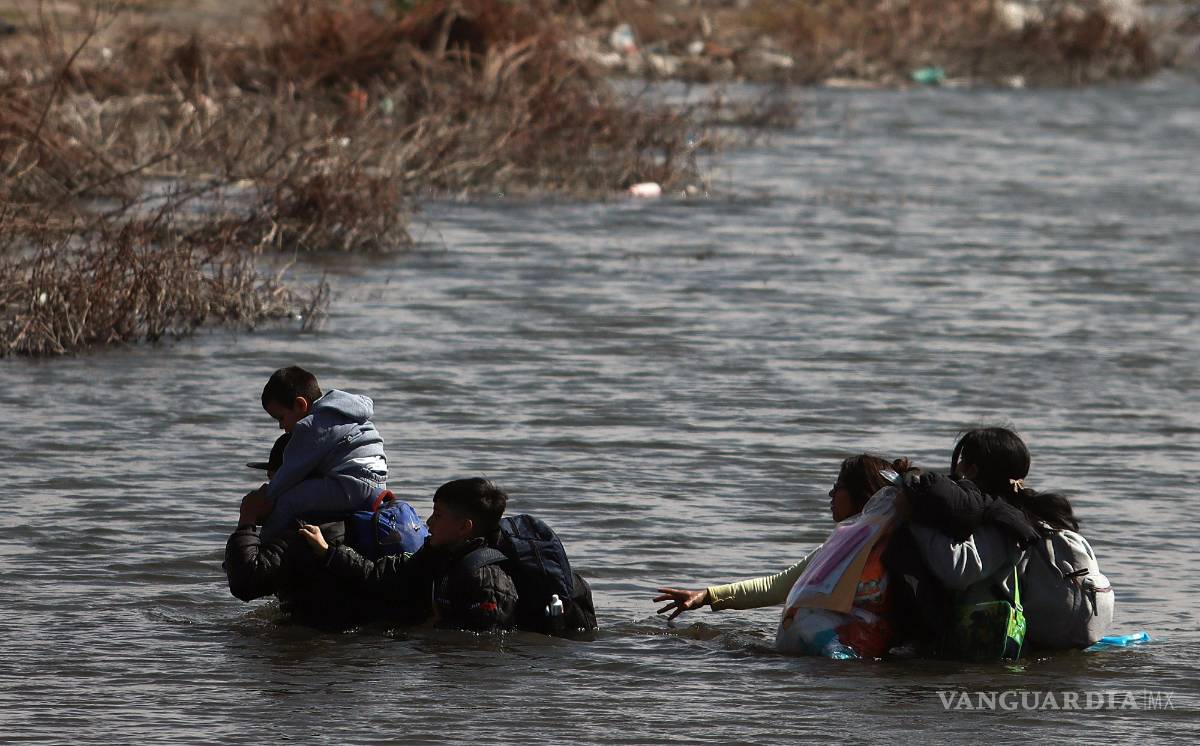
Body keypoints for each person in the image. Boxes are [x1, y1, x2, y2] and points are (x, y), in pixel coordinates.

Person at [654, 454, 912, 658]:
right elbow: (780, 585)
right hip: (839, 657)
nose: (830, 494)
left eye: (838, 487)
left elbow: (779, 586)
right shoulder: (837, 550)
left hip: (846, 659)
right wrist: (707, 596)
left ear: (862, 494)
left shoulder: (891, 551)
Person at [889, 426, 1105, 652]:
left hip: (1010, 643)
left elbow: (958, 570)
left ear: (971, 471)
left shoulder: (1005, 522)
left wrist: (915, 519)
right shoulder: (1037, 513)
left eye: (960, 461)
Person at [299, 477, 520, 632]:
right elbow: (380, 575)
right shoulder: (435, 555)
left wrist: (432, 629)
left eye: (438, 515)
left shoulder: (488, 579)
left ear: (464, 527)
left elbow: (486, 644)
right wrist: (328, 552)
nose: (429, 522)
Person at [240, 366, 388, 539]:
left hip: (350, 484)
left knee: (288, 501)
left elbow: (290, 472)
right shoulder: (346, 413)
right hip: (378, 484)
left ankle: (264, 545)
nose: (281, 426)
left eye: (281, 417)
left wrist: (265, 499)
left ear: (300, 404)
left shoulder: (312, 425)